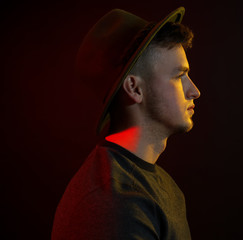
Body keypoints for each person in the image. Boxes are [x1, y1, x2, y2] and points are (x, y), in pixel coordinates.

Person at [51, 6, 200, 240]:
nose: (194, 91)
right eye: (179, 76)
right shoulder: (114, 203)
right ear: (134, 88)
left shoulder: (160, 187)